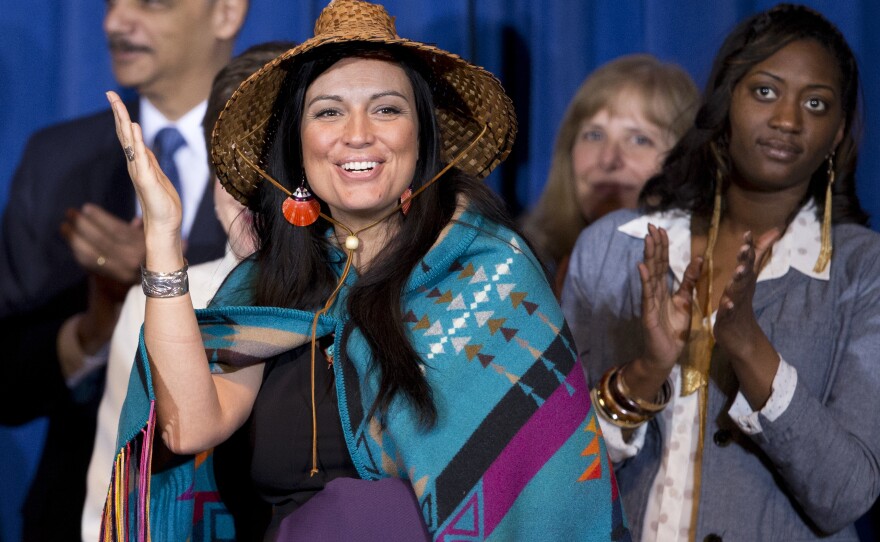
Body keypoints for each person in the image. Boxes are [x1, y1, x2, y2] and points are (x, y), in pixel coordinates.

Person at [103, 1, 629, 540]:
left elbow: (551, 499)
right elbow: (188, 426)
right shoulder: (265, 284)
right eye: (328, 111)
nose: (357, 134)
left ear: (421, 136)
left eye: (386, 109)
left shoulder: (491, 274)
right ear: (299, 145)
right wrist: (164, 237)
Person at [562, 4, 880, 541]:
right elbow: (559, 473)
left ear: (837, 134)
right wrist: (644, 373)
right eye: (764, 91)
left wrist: (749, 345)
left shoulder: (860, 270)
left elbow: (844, 495)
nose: (787, 119)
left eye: (816, 103)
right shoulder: (612, 248)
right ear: (725, 101)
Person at [0, 1, 248, 539]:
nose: (115, 22)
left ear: (227, 13)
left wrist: (160, 275)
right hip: (77, 510)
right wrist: (94, 326)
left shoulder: (286, 149)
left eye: (152, 2)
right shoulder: (55, 159)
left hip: (240, 507)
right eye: (112, 4)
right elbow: (9, 381)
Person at [80, 40, 294, 542]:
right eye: (232, 164)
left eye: (275, 164)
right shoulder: (159, 301)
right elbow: (111, 501)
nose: (250, 191)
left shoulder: (353, 293)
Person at [522, 54, 698, 296]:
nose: (608, 160)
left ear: (683, 160)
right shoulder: (521, 262)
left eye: (639, 140)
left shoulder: (703, 277)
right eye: (594, 135)